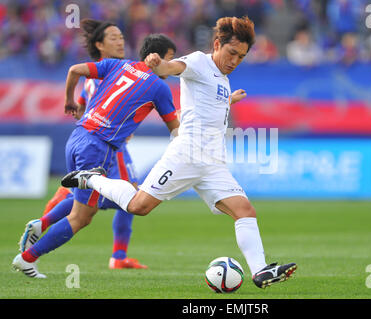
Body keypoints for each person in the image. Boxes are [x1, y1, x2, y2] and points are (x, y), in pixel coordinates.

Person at [61, 16, 297, 289]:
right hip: (186, 155)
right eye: (232, 53)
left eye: (241, 57)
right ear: (217, 44)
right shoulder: (198, 61)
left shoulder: (223, 79)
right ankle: (91, 178)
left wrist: (228, 100)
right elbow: (173, 66)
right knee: (139, 206)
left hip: (213, 163)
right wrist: (158, 64)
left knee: (245, 210)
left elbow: (207, 106)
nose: (234, 60)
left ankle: (260, 271)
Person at [12, 32, 180, 278]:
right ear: (160, 57)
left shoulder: (118, 64)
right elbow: (176, 129)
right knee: (83, 216)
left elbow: (74, 69)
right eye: (172, 59)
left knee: (92, 203)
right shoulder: (159, 87)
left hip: (77, 137)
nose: (174, 66)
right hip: (98, 147)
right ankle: (27, 258)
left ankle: (42, 223)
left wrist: (69, 100)